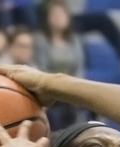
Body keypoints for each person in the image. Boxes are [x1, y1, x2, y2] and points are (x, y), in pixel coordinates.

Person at [34, 0, 85, 130]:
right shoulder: (40, 39)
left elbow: (79, 68)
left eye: (61, 14)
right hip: (51, 89)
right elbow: (41, 68)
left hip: (72, 89)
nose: (58, 18)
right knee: (57, 114)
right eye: (54, 15)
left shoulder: (75, 39)